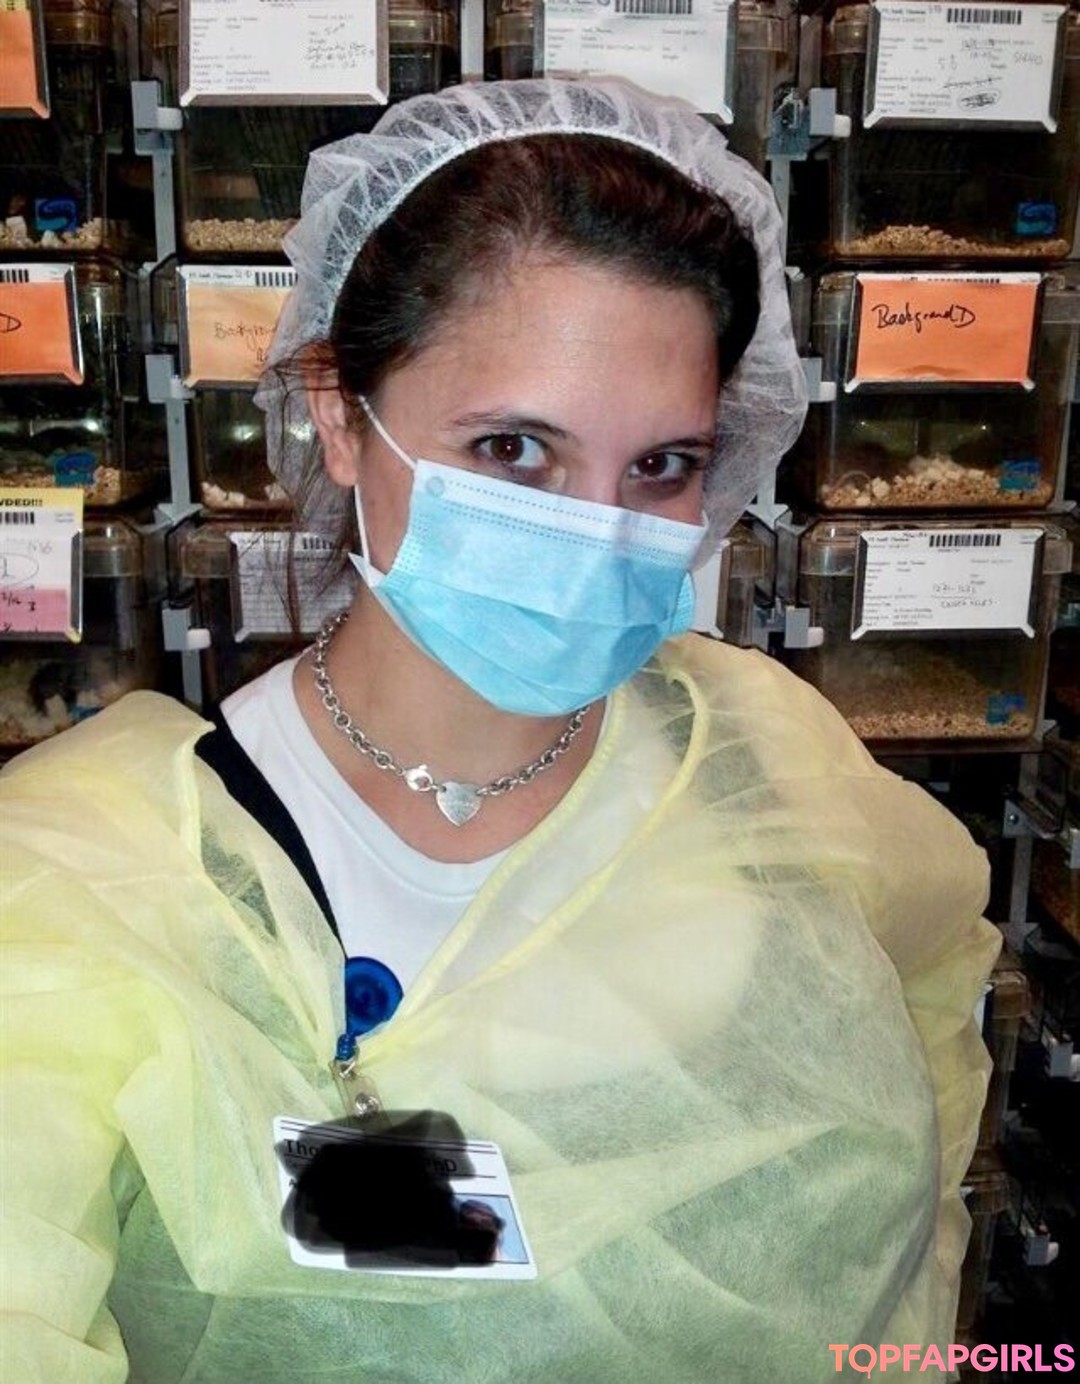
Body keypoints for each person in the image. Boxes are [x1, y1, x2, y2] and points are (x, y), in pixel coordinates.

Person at [1, 79, 999, 1383]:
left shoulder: (768, 755)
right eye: (516, 449)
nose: (597, 528)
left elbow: (934, 996)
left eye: (663, 465)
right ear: (341, 415)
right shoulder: (91, 885)